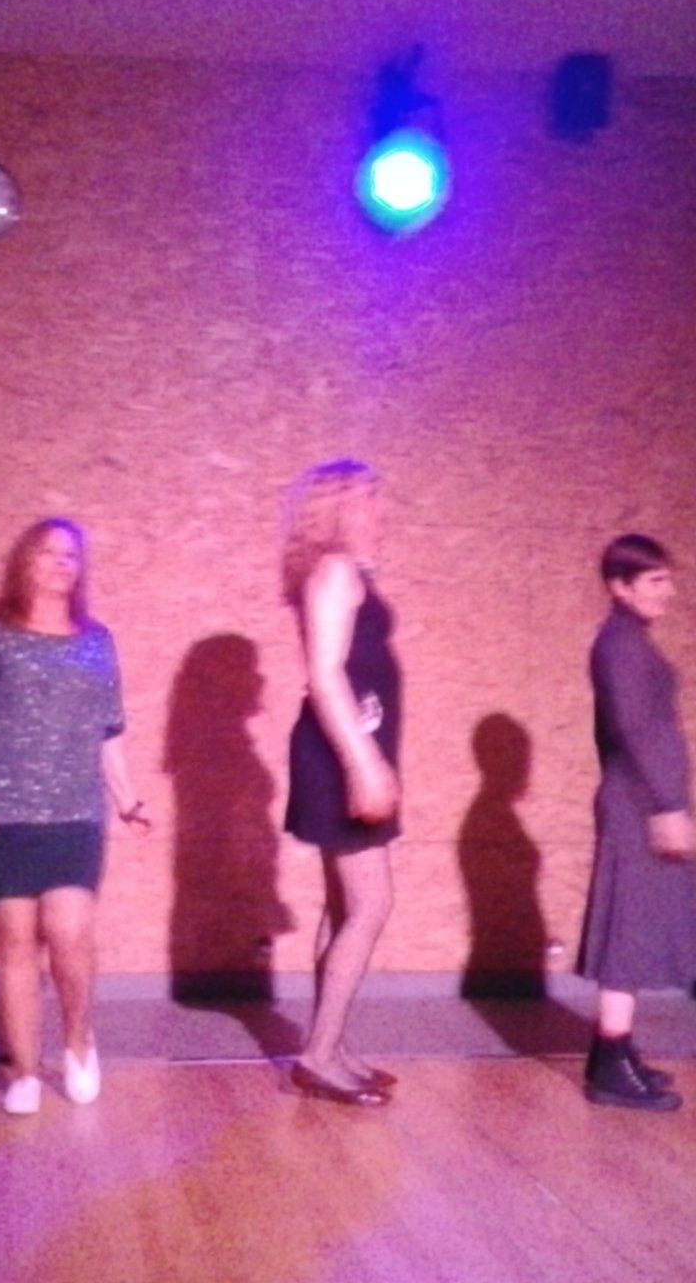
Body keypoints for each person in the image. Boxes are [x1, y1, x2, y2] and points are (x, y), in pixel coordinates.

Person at [0, 518, 144, 1116]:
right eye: (50, 552)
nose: (62, 563)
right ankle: (25, 1071)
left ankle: (78, 1041)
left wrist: (128, 800)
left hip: (75, 813)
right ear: (25, 561)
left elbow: (109, 730)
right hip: (5, 815)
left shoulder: (96, 640)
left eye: (72, 555)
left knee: (69, 931)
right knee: (15, 944)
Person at [576, 534, 696, 1112]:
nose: (669, 591)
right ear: (620, 586)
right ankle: (610, 1062)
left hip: (643, 799)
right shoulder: (620, 646)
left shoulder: (628, 641)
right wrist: (667, 805)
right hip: (639, 803)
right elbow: (635, 730)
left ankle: (614, 1051)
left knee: (636, 927)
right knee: (628, 932)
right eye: (656, 580)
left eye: (668, 578)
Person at [281, 459, 401, 1107]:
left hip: (348, 751)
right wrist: (364, 765)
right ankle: (319, 1055)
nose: (379, 508)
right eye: (366, 496)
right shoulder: (332, 571)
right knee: (371, 904)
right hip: (337, 758)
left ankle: (330, 1044)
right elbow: (325, 675)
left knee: (345, 906)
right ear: (335, 506)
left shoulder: (350, 571)